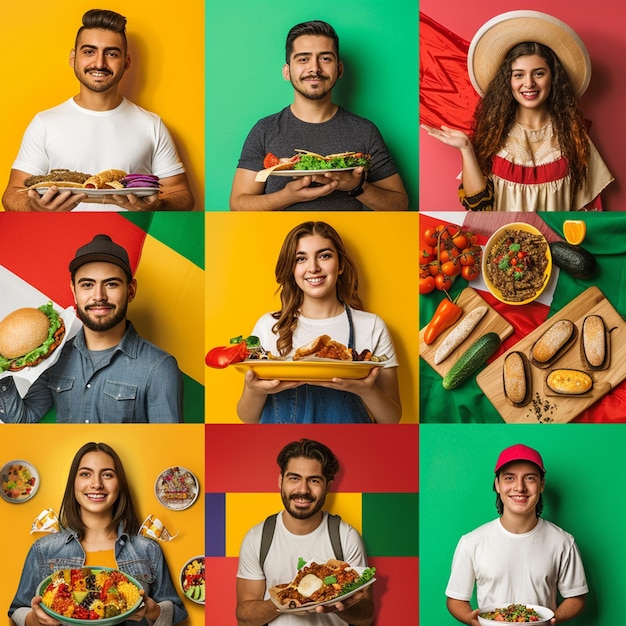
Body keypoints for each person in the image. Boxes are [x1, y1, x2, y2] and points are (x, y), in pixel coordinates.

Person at [2, 9, 194, 212]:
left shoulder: (151, 125)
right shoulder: (44, 123)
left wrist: (157, 205)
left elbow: (182, 196)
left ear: (126, 63)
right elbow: (12, 194)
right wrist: (34, 207)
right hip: (64, 239)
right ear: (73, 58)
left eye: (111, 54)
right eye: (89, 52)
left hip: (130, 236)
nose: (100, 63)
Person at [421, 10, 614, 211]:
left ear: (553, 78)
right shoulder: (492, 133)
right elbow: (478, 207)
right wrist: (466, 148)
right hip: (500, 239)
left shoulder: (574, 134)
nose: (528, 83)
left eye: (538, 73)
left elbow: (588, 211)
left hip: (556, 242)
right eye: (519, 75)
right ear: (508, 81)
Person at [0, 234, 184, 423]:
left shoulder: (159, 367)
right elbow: (23, 419)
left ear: (131, 291)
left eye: (111, 284)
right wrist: (2, 373)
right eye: (87, 285)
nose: (98, 296)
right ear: (74, 291)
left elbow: (167, 443)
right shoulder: (58, 356)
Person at [230, 20, 408, 211]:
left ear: (339, 69)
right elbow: (238, 204)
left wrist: (357, 186)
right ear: (287, 72)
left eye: (325, 59)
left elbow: (399, 205)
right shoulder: (264, 130)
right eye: (303, 59)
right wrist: (287, 196)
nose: (314, 68)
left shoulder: (365, 131)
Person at [236, 221, 401, 424]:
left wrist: (367, 390)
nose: (313, 268)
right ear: (291, 268)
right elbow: (248, 418)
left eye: (324, 256)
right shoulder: (268, 326)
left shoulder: (372, 326)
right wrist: (253, 390)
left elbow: (392, 419)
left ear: (340, 265)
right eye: (301, 258)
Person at [8, 442, 187, 626]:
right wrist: (35, 619)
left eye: (107, 475)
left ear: (120, 484)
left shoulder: (148, 549)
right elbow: (18, 610)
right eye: (85, 474)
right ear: (74, 483)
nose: (96, 484)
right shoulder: (43, 550)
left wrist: (152, 610)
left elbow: (176, 611)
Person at [236, 438, 374, 626]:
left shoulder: (346, 537)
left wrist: (339, 604)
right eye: (294, 478)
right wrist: (283, 601)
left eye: (314, 480)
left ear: (329, 486)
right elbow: (244, 619)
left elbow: (366, 617)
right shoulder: (257, 538)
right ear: (280, 480)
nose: (303, 490)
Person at [446, 444, 587, 626]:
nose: (519, 487)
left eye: (529, 478)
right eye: (509, 478)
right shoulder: (471, 542)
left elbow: (576, 597)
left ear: (541, 485)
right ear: (497, 485)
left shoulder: (563, 542)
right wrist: (470, 619)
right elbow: (455, 598)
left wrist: (552, 620)